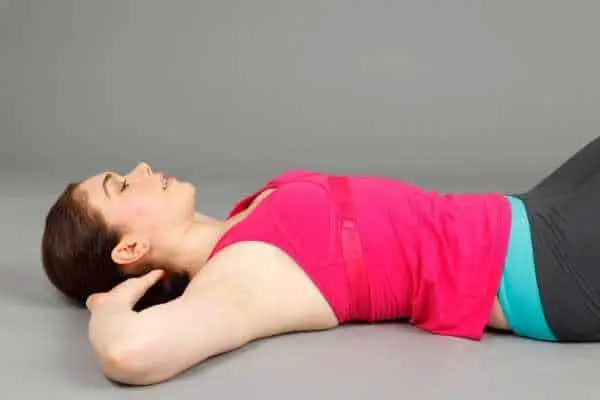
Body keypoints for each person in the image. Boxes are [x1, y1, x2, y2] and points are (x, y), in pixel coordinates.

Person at [41, 136, 600, 386]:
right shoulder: (245, 273)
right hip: (551, 264)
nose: (139, 167)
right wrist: (109, 305)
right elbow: (127, 353)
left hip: (529, 213)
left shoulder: (247, 217)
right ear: (129, 249)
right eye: (120, 185)